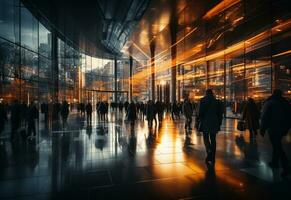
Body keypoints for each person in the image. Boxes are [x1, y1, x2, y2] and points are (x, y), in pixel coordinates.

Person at [260, 89, 291, 178]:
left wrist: (262, 129)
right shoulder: (285, 102)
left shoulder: (270, 102)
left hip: (273, 128)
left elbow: (265, 116)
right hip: (282, 128)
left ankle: (286, 166)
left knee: (277, 146)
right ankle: (275, 162)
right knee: (276, 144)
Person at [198, 89, 223, 169]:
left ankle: (209, 151)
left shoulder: (202, 100)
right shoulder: (217, 102)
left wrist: (199, 120)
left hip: (205, 121)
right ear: (212, 93)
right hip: (214, 122)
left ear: (206, 93)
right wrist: (219, 123)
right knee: (213, 139)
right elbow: (220, 114)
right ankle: (213, 156)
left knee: (205, 137)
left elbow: (200, 113)